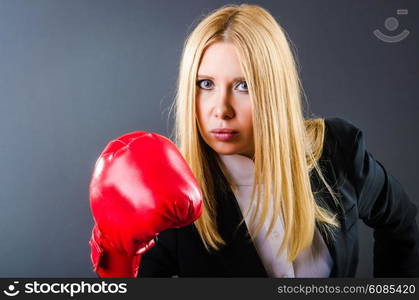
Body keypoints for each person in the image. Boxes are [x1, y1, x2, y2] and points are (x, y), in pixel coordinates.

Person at [90, 3, 419, 278]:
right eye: (205, 84)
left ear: (274, 91)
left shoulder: (337, 149)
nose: (221, 109)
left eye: (243, 86)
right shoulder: (172, 199)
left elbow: (402, 225)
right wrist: (116, 257)